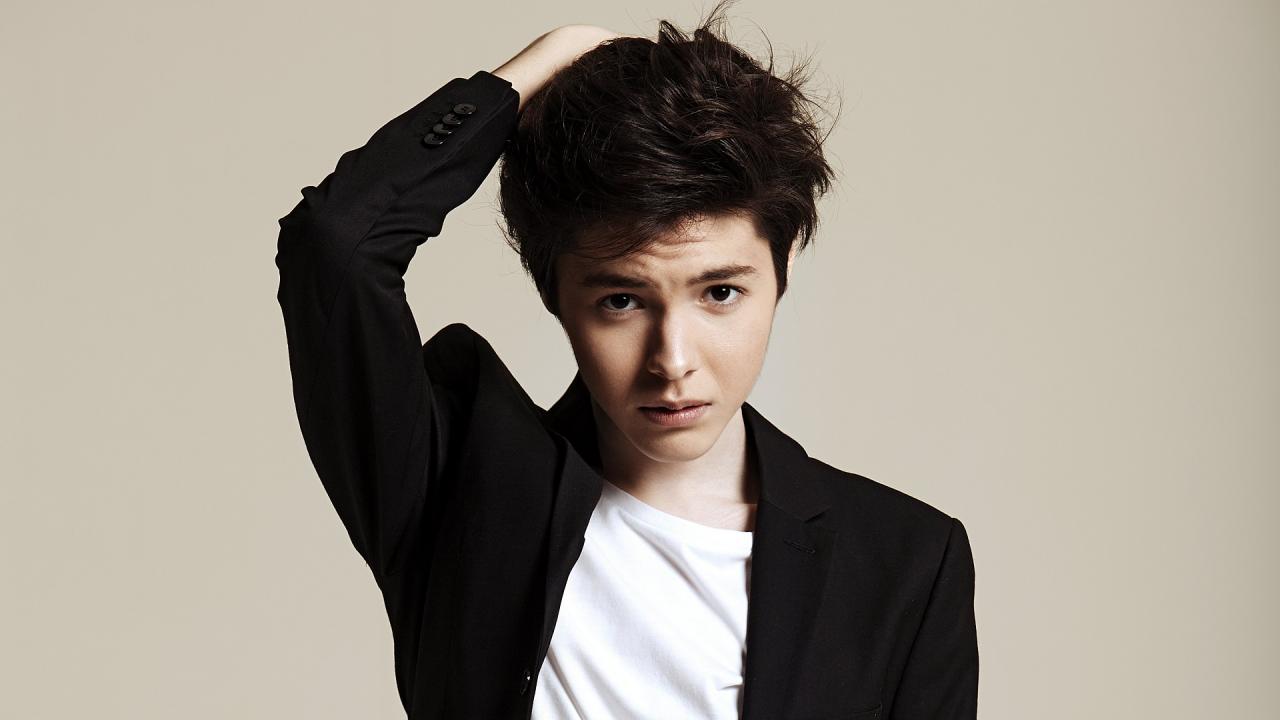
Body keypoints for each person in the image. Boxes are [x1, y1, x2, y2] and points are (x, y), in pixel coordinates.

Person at [274, 3, 978, 719]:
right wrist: (529, 73)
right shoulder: (459, 488)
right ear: (552, 290)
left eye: (721, 293)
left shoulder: (904, 562)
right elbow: (336, 246)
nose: (673, 360)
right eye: (621, 301)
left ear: (784, 264)